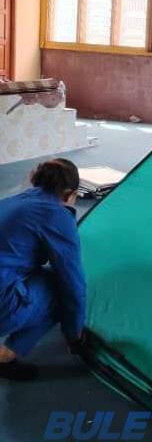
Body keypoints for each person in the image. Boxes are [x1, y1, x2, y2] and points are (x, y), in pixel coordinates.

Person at [0, 159, 87, 381]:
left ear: (34, 180)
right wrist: (74, 335)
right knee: (57, 288)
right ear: (70, 194)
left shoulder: (10, 201)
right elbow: (72, 283)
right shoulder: (56, 215)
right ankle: (6, 356)